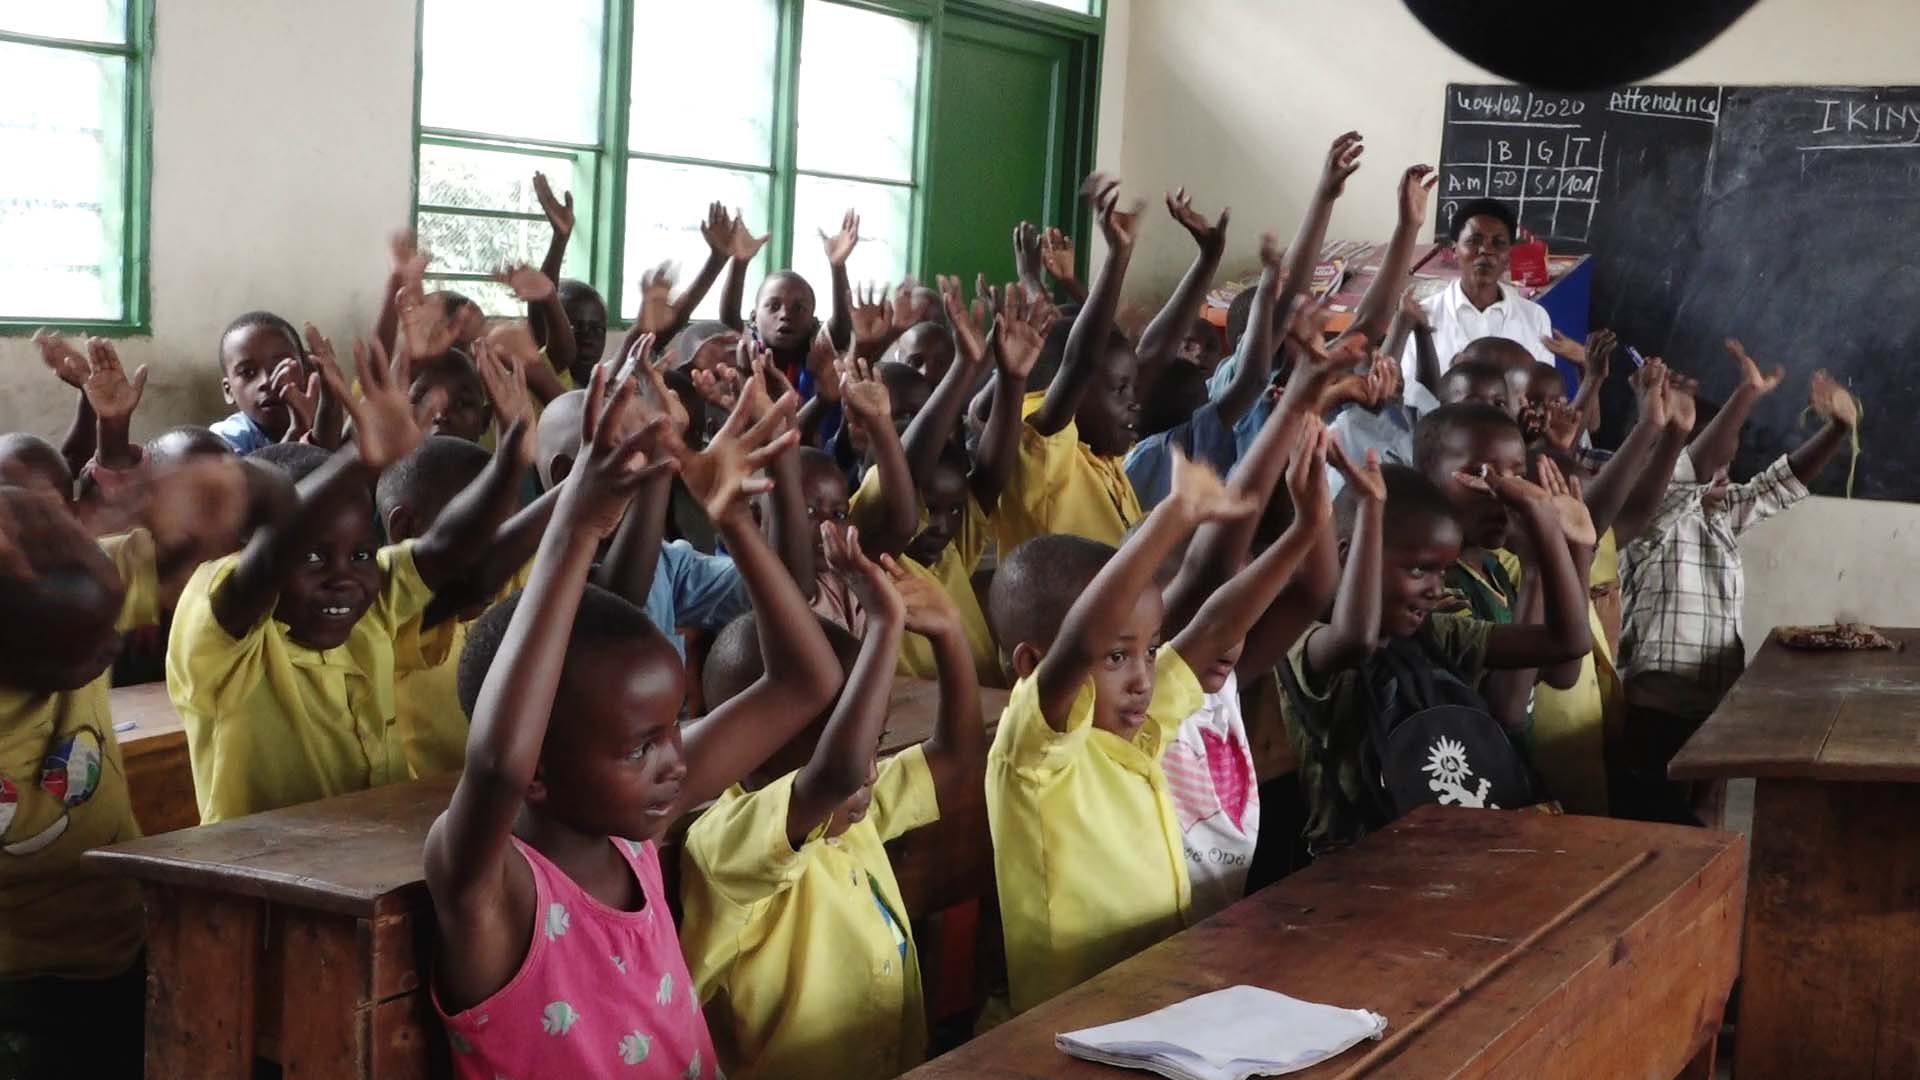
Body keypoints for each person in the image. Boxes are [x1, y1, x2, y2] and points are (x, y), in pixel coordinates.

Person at [424, 365, 837, 1080]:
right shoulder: (494, 893)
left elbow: (807, 682)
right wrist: (577, 527)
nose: (673, 759)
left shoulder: (634, 829)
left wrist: (732, 520)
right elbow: (495, 766)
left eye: (674, 727)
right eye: (639, 746)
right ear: (541, 774)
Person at [166, 338, 528, 821]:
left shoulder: (371, 608)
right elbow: (271, 556)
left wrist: (516, 456)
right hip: (267, 883)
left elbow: (448, 549)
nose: (344, 576)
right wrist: (360, 459)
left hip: (375, 859)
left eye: (361, 553)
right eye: (313, 555)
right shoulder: (223, 641)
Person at [0, 449, 271, 1077]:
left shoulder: (79, 583)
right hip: (16, 986)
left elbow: (266, 503)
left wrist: (226, 480)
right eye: (80, 649)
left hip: (125, 943)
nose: (112, 645)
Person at [681, 528, 985, 1079]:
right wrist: (885, 627)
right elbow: (837, 772)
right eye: (852, 743)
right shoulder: (725, 843)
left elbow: (956, 757)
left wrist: (947, 633)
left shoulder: (852, 813)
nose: (870, 769)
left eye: (876, 741)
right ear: (752, 747)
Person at [983, 452, 1264, 1014]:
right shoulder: (1034, 754)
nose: (1142, 678)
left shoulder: (1139, 729)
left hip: (1157, 999)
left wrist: (1306, 530)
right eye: (1117, 656)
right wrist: (1173, 513)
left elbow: (1215, 625)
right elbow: (1082, 640)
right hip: (1067, 1027)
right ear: (1032, 663)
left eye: (1151, 651)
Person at [1282, 457, 1591, 854]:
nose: (1435, 588)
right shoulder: (1306, 644)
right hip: (1356, 863)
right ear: (1349, 554)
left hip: (1446, 849)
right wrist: (1371, 507)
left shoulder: (1433, 632)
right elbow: (1356, 639)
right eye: (1420, 570)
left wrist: (1544, 523)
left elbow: (1567, 642)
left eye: (1443, 571)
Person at [1616, 344, 1857, 824]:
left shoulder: (1720, 515)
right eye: (1713, 458)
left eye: (1730, 457)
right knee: (1657, 826)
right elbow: (1692, 474)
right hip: (1657, 709)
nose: (1724, 471)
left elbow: (1780, 485)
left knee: (1708, 820)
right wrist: (1746, 394)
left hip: (1714, 700)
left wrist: (1838, 429)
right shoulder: (1650, 521)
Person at [992, 174, 1150, 551]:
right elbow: (1081, 360)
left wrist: (1043, 280)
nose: (1135, 401)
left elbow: (1100, 346)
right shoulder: (1046, 456)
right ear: (1072, 394)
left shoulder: (1104, 456)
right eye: (1119, 389)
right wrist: (1117, 257)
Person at [1398, 198, 1556, 390]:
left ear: (1509, 255)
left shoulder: (1534, 317)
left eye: (1498, 243)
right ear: (1454, 250)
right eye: (1474, 241)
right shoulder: (1423, 315)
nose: (1485, 251)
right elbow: (1410, 395)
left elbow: (1541, 392)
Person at [210, 310, 306, 452]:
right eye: (248, 372)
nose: (266, 381)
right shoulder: (224, 439)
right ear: (228, 390)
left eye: (281, 367)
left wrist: (331, 401)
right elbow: (261, 474)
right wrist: (297, 430)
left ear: (308, 372)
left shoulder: (320, 418)